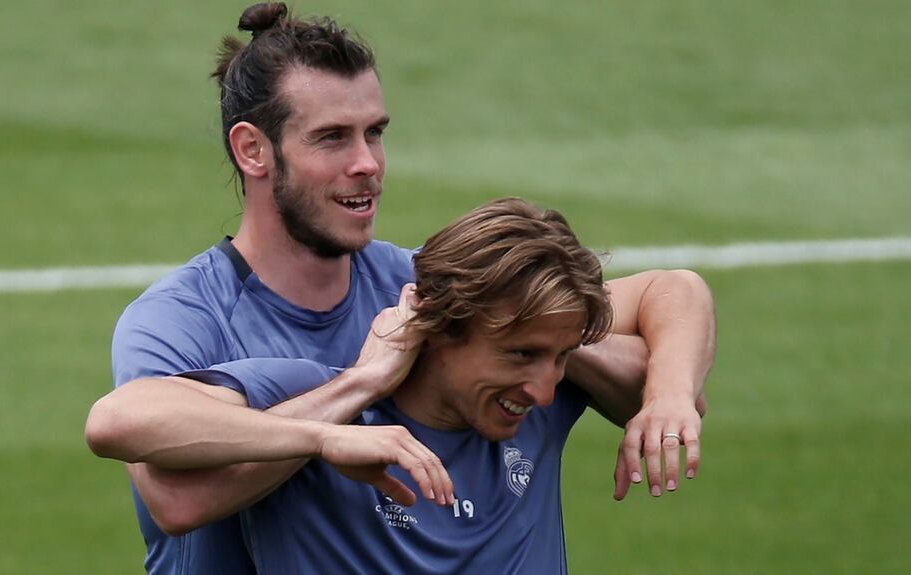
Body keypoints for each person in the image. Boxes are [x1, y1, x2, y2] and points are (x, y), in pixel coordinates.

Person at [84, 4, 715, 575]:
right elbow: (171, 492)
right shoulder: (181, 320)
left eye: (375, 133)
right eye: (333, 137)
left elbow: (672, 293)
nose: (368, 163)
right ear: (254, 150)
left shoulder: (432, 288)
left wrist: (661, 391)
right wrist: (358, 389)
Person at [188, 197, 639, 573]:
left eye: (561, 357)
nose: (544, 392)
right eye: (521, 354)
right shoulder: (313, 392)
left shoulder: (542, 398)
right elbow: (125, 424)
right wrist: (340, 412)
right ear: (440, 325)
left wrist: (668, 395)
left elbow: (676, 293)